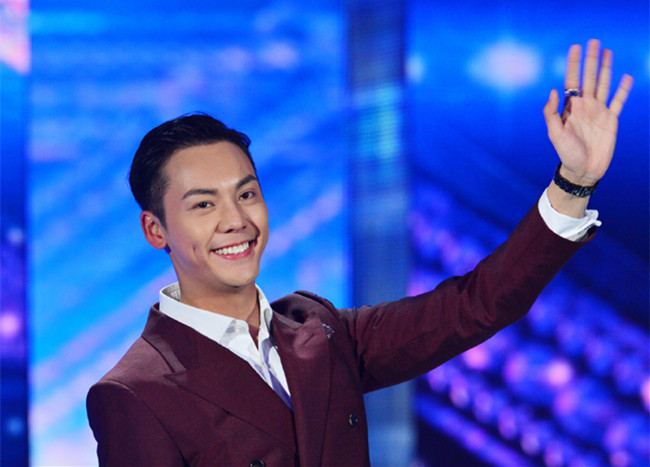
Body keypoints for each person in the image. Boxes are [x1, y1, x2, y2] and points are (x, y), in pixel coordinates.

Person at [87, 40, 632, 466]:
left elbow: (476, 305)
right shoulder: (135, 392)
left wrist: (574, 182)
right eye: (204, 205)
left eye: (247, 194)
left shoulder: (319, 331)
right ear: (155, 229)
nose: (236, 221)